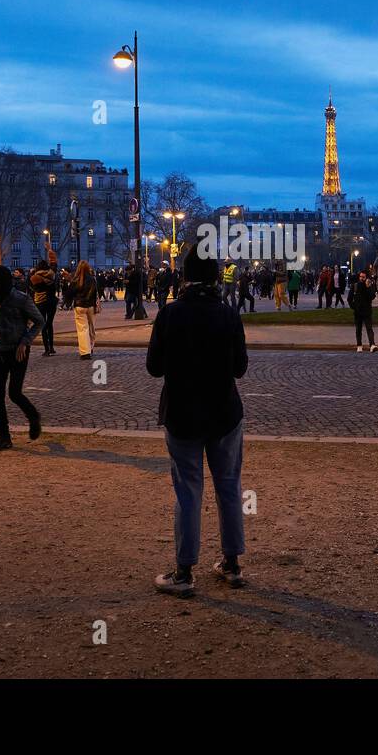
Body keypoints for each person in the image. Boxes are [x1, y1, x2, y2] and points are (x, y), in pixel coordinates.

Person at [147, 246, 249, 597]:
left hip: (182, 412)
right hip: (224, 411)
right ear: (216, 277)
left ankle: (184, 570)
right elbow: (240, 368)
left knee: (188, 492)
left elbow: (153, 367)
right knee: (229, 487)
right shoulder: (228, 314)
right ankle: (232, 563)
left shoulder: (170, 314)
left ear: (185, 276)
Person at [0, 265, 44, 452]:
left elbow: (39, 321)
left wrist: (25, 342)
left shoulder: (21, 299)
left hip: (18, 351)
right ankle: (4, 437)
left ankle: (33, 416)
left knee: (14, 393)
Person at [70, 260, 99, 359]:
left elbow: (71, 293)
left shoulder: (76, 279)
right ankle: (90, 347)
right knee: (92, 328)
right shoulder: (92, 279)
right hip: (90, 306)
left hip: (79, 306)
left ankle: (85, 352)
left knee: (82, 330)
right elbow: (95, 293)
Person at [348, 266, 376, 352]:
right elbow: (349, 298)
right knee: (358, 329)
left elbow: (372, 297)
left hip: (367, 310)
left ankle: (372, 345)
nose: (361, 278)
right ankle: (359, 345)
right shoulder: (355, 285)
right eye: (360, 277)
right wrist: (354, 306)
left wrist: (368, 287)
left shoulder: (369, 285)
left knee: (369, 328)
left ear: (366, 277)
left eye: (363, 277)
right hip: (358, 311)